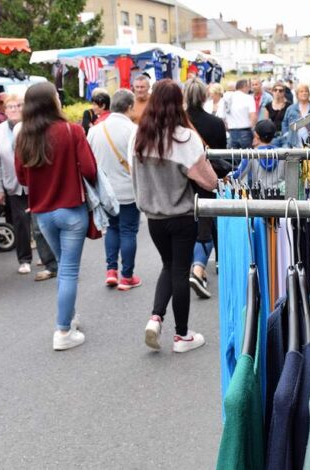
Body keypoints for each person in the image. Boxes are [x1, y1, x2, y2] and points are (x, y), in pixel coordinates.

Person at [129, 79, 218, 353]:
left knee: (168, 266)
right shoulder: (184, 138)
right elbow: (209, 181)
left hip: (153, 217)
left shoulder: (138, 137)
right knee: (180, 270)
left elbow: (133, 176)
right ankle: (181, 336)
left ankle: (156, 318)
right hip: (181, 214)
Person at [15, 82, 98, 351]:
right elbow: (90, 169)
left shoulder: (23, 137)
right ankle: (63, 330)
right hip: (72, 209)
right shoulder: (71, 130)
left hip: (42, 212)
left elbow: (21, 177)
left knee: (64, 268)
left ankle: (70, 318)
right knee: (69, 271)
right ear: (53, 102)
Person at [0, 94, 58, 280]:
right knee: (20, 222)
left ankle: (48, 257)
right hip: (13, 183)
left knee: (41, 223)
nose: (14, 109)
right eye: (10, 106)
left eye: (18, 106)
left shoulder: (33, 128)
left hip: (35, 184)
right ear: (4, 110)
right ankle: (24, 259)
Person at [87, 89, 142, 291]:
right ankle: (127, 276)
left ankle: (111, 270)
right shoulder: (134, 130)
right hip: (128, 189)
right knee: (128, 231)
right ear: (129, 107)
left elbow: (88, 162)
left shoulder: (94, 131)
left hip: (105, 190)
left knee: (112, 228)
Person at [183, 78, 230, 299]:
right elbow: (222, 152)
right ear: (205, 97)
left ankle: (195, 263)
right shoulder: (217, 123)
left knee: (193, 220)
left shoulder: (179, 123)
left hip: (184, 180)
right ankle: (218, 260)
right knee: (212, 217)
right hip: (209, 176)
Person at [232, 119, 286, 187]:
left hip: (259, 195)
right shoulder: (283, 153)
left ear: (256, 135)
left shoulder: (251, 154)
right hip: (280, 195)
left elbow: (237, 176)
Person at [282, 83, 310, 148]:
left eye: (306, 91)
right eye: (301, 91)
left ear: (309, 94)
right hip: (294, 143)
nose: (304, 93)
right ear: (297, 94)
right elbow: (284, 122)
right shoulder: (291, 109)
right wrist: (286, 135)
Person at [224, 79, 256, 149]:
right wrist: (253, 130)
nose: (249, 89)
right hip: (245, 131)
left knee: (234, 157)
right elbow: (253, 115)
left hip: (232, 132)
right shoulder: (248, 98)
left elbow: (222, 116)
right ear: (245, 86)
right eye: (249, 87)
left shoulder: (227, 98)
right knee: (248, 157)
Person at [265, 81, 292, 147]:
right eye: (275, 90)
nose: (277, 92)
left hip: (286, 136)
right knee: (273, 155)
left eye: (280, 90)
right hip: (273, 137)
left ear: (284, 92)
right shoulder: (268, 106)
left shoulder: (289, 105)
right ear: (272, 91)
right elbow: (266, 123)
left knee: (285, 155)